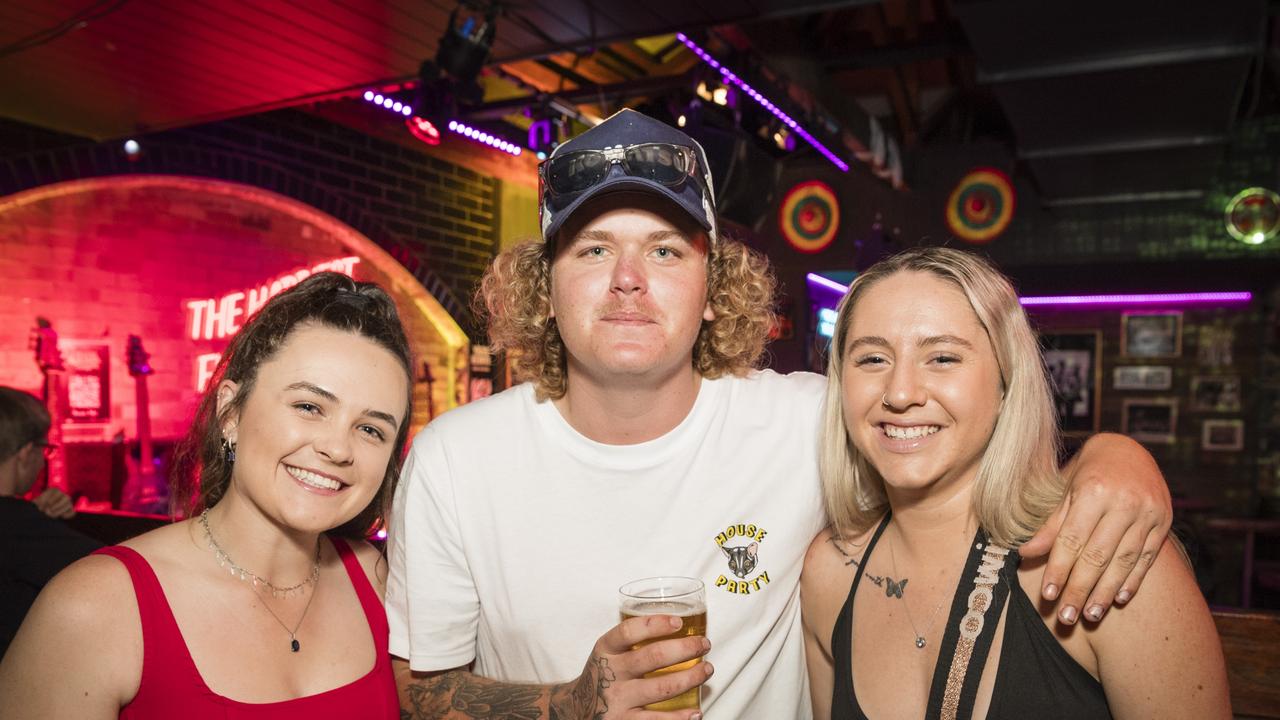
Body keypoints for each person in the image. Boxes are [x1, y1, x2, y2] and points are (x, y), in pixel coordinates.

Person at [388, 109, 1174, 719]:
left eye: (665, 250)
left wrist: (1115, 455)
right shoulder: (457, 459)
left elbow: (960, 424)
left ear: (711, 283)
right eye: (592, 249)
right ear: (544, 286)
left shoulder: (810, 422)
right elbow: (420, 695)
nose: (628, 278)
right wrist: (571, 704)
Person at [801, 247, 1229, 719]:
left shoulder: (1102, 559)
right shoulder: (828, 573)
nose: (901, 393)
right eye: (873, 359)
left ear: (1006, 384)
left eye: (942, 357)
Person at [0, 273, 413, 718]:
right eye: (309, 407)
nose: (338, 448)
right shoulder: (95, 606)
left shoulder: (375, 579)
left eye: (371, 429)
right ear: (231, 411)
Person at [0, 386, 101, 658]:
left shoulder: (22, 522)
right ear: (26, 454)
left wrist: (34, 513)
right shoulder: (19, 526)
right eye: (45, 451)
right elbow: (116, 567)